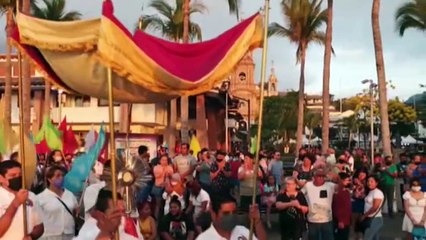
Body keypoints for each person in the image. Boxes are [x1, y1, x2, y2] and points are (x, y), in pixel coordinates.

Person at [0, 160, 44, 240]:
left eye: (20, 175)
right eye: (12, 176)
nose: (17, 178)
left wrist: (31, 236)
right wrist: (15, 204)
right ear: (1, 178)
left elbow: (39, 226)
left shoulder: (30, 195)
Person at [196, 196, 267, 240]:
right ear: (213, 215)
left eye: (234, 212)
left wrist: (257, 221)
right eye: (226, 213)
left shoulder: (242, 230)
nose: (231, 216)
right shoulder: (204, 238)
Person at [36, 166, 78, 240]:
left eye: (62, 175)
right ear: (49, 179)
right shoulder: (40, 197)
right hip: (49, 235)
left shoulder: (70, 194)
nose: (61, 178)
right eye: (58, 176)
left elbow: (75, 212)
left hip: (69, 234)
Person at [302, 168, 335, 240]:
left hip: (327, 220)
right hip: (312, 219)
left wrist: (337, 177)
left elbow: (341, 188)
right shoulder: (308, 185)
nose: (321, 178)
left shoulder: (330, 185)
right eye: (319, 176)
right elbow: (300, 195)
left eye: (323, 176)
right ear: (314, 177)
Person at [360, 175, 384, 240]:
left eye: (371, 181)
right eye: (368, 181)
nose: (369, 183)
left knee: (367, 237)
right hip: (370, 218)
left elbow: (375, 207)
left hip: (375, 219)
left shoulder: (377, 192)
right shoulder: (370, 191)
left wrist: (364, 215)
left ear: (376, 183)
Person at [332, 172, 352, 240]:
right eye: (347, 180)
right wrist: (340, 220)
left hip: (346, 221)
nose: (348, 182)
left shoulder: (346, 192)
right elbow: (337, 207)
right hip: (341, 221)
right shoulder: (338, 193)